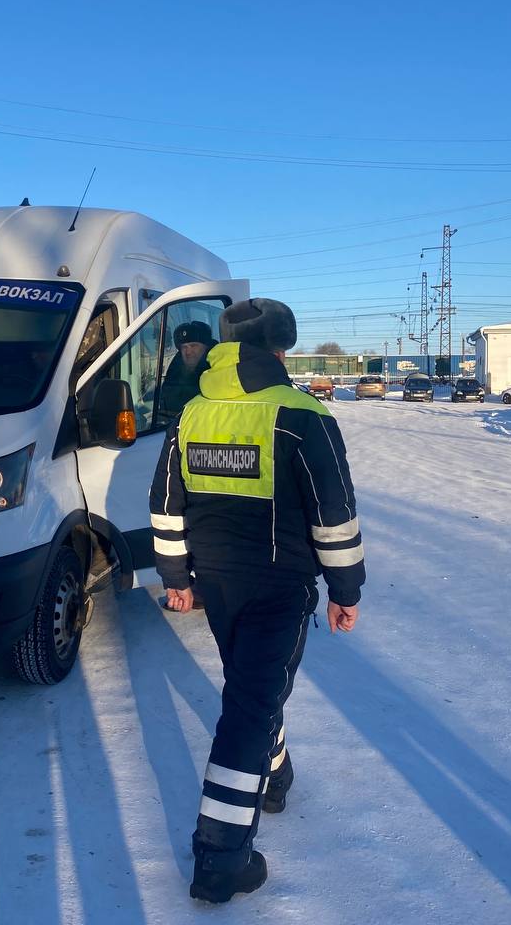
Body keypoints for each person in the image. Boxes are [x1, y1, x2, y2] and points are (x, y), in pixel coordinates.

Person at [149, 298, 365, 903]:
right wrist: (345, 590)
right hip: (279, 587)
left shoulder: (193, 412)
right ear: (281, 349)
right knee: (248, 709)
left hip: (215, 585)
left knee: (251, 686)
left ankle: (275, 777)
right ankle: (220, 858)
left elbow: (166, 504)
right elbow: (335, 517)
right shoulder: (303, 414)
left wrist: (176, 575)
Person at [159, 320, 216, 416]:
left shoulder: (216, 369)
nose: (188, 352)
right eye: (184, 347)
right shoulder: (175, 370)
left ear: (206, 347)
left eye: (194, 346)